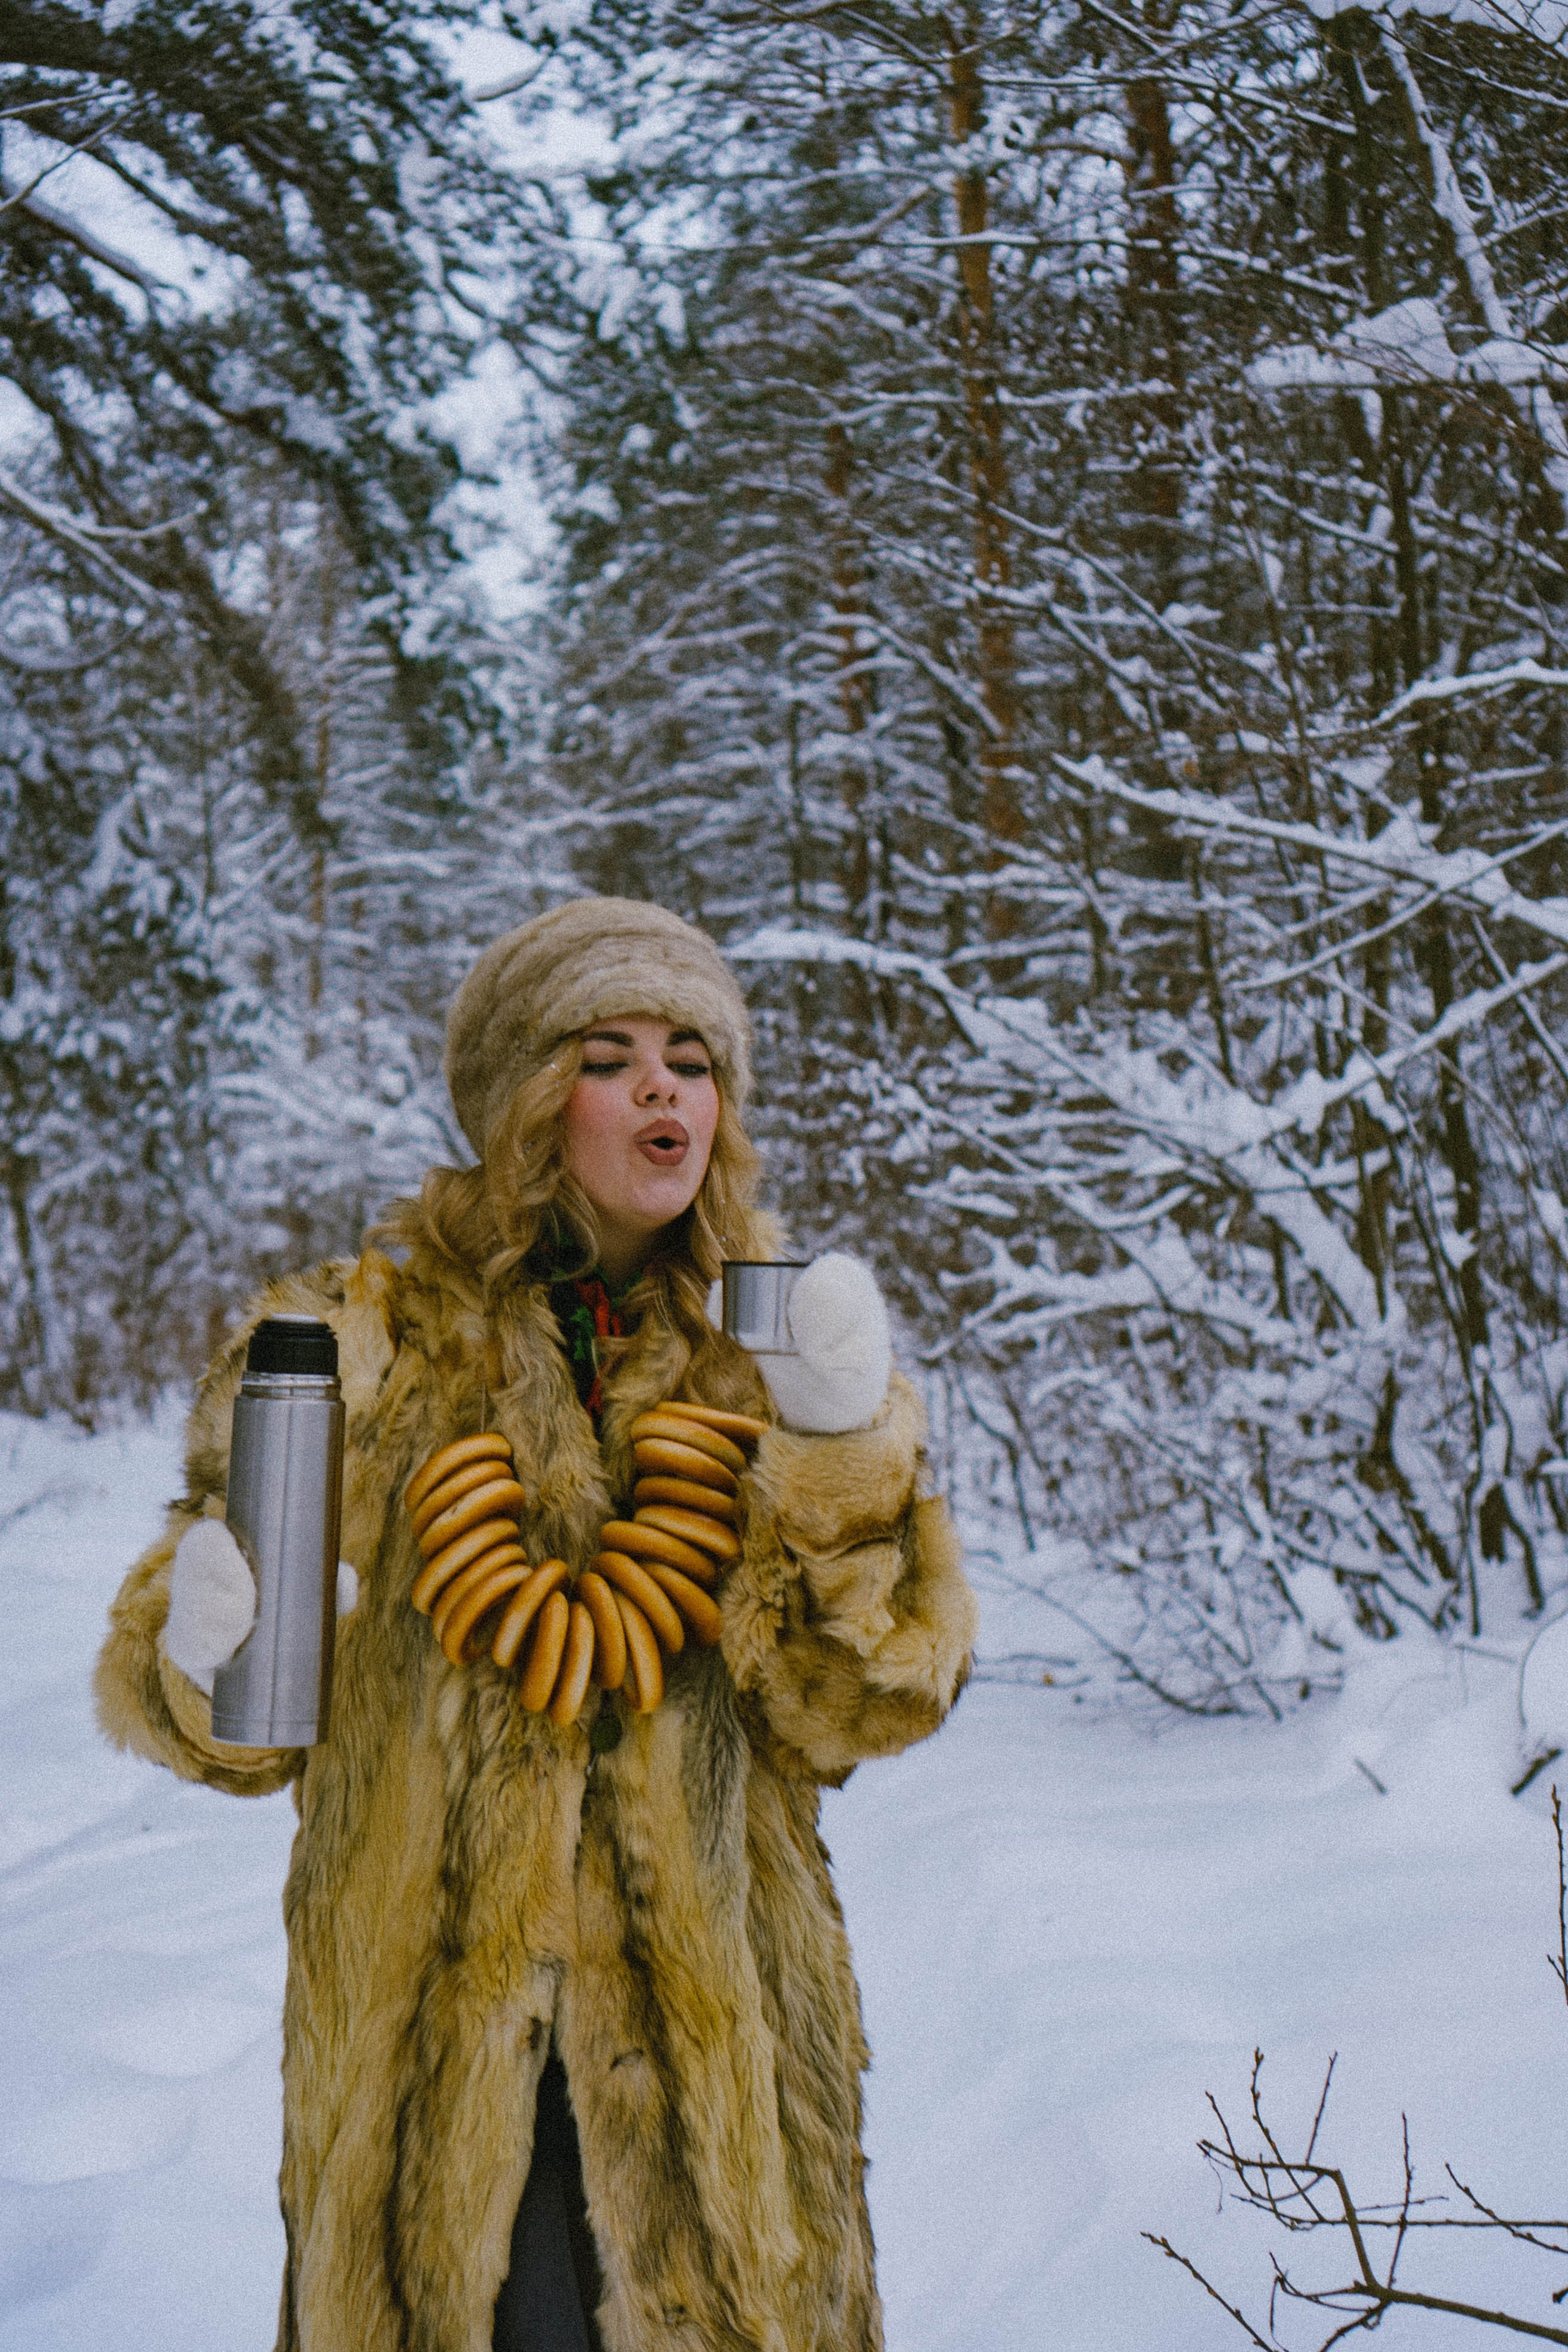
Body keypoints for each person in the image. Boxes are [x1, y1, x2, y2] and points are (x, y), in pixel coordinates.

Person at [96, 897, 978, 2352]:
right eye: (609, 1059)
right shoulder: (352, 1346)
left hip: (716, 2073)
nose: (661, 1092)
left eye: (691, 1061)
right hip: (429, 2074)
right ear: (524, 1102)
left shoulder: (779, 1347)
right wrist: (199, 1647)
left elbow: (861, 1707)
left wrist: (837, 1462)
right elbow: (225, 1727)